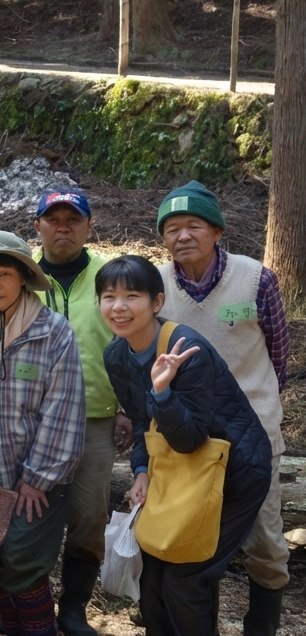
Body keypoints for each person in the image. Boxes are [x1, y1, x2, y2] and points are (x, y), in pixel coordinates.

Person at [98, 255, 270, 636]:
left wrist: (162, 390)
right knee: (153, 572)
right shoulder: (116, 354)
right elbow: (142, 421)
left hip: (234, 473)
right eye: (109, 297)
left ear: (156, 302)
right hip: (180, 474)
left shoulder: (186, 350)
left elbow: (191, 440)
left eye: (132, 296)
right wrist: (141, 471)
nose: (119, 307)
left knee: (186, 576)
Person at [154, 181, 289, 636]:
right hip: (188, 435)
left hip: (254, 432)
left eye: (194, 225)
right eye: (172, 228)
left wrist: (258, 404)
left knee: (266, 541)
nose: (183, 236)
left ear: (217, 231)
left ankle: (262, 624)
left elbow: (278, 355)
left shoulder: (256, 279)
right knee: (191, 535)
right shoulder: (157, 287)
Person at [0, 230, 86, 636]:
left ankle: (40, 630)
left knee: (23, 559)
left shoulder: (53, 331)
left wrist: (36, 479)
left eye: (4, 273)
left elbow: (64, 409)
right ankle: (12, 626)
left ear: (23, 276)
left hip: (40, 479)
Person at [29, 187, 129, 636]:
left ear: (90, 227)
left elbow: (130, 342)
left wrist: (126, 406)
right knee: (30, 511)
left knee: (89, 516)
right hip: (28, 415)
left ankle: (73, 608)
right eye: (54, 219)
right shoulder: (19, 271)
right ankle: (27, 605)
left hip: (95, 416)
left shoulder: (111, 276)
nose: (63, 227)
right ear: (39, 226)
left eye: (73, 219)